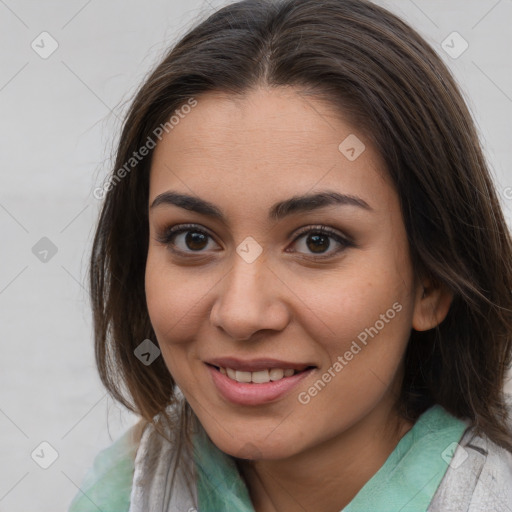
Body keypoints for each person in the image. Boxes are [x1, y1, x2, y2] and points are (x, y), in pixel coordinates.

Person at [68, 0, 512, 510]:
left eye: (317, 241)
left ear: (432, 282)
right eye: (193, 239)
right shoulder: (120, 494)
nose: (241, 313)